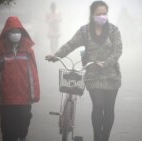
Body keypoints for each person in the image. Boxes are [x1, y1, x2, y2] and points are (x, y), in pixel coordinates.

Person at [46, 1, 122, 141]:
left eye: (104, 13)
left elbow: (117, 51)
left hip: (112, 76)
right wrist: (56, 55)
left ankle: (105, 138)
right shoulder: (84, 31)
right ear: (92, 15)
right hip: (92, 76)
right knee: (98, 106)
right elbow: (70, 44)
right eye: (98, 13)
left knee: (109, 109)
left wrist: (105, 63)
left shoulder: (114, 30)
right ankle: (97, 138)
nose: (102, 16)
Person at [0, 16, 40, 141]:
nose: (15, 34)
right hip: (6, 99)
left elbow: (33, 74)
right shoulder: (1, 52)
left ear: (22, 33)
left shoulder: (28, 52)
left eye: (17, 31)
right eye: (12, 31)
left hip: (25, 98)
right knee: (7, 131)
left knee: (23, 125)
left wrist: (35, 94)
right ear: (7, 33)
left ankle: (22, 136)